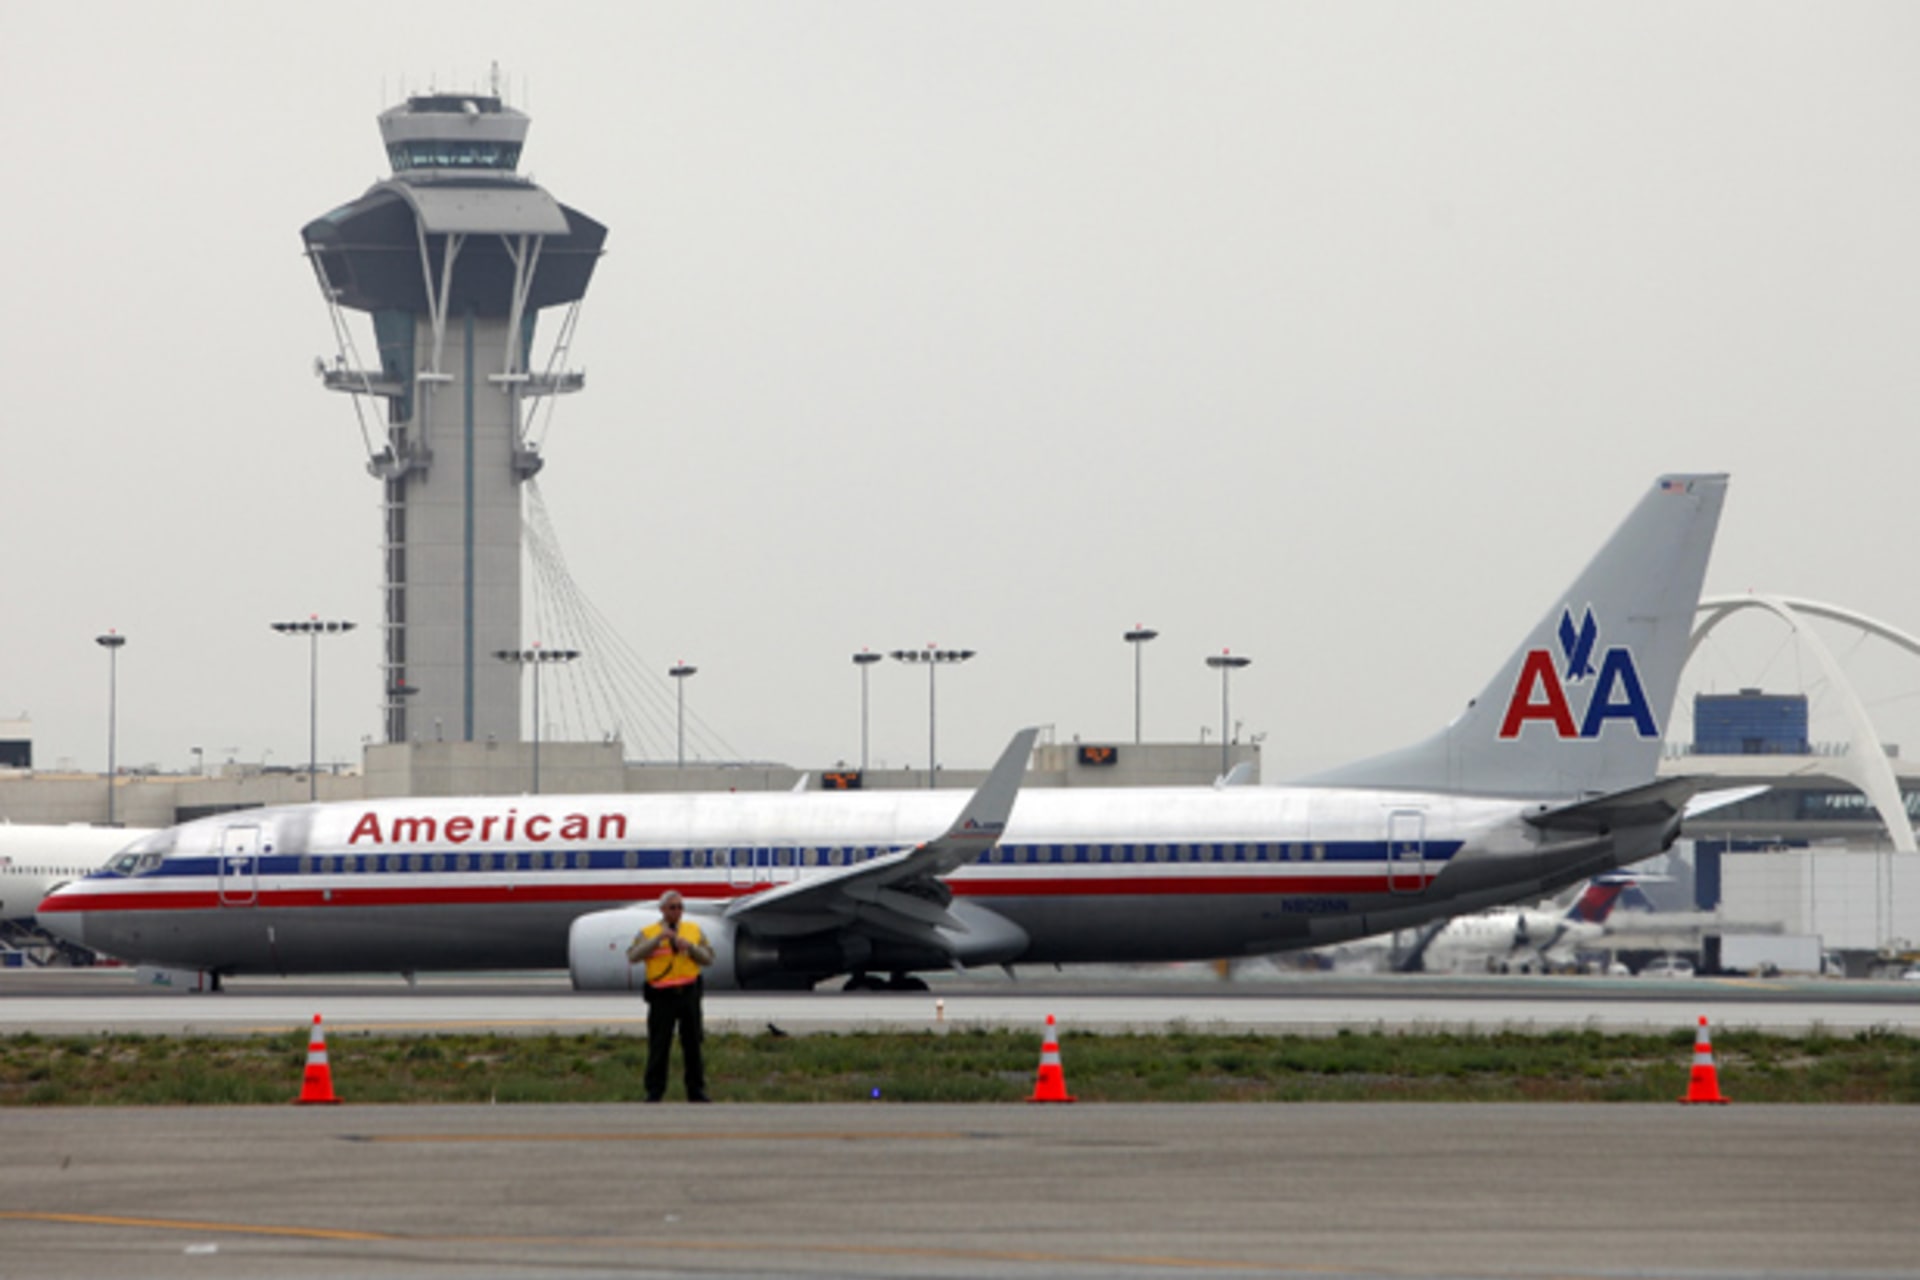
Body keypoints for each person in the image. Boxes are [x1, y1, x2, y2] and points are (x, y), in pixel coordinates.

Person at [627, 890, 714, 1102]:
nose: (677, 911)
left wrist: (691, 947)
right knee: (659, 1046)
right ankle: (654, 1091)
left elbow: (708, 958)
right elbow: (633, 955)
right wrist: (658, 940)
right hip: (661, 995)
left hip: (688, 993)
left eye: (680, 907)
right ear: (663, 910)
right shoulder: (648, 932)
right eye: (672, 907)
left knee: (692, 1044)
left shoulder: (693, 930)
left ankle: (696, 1090)